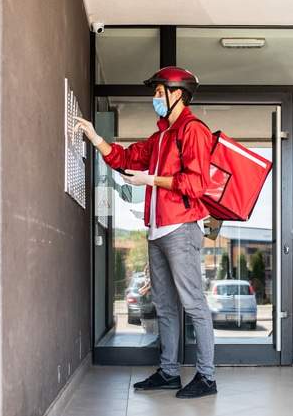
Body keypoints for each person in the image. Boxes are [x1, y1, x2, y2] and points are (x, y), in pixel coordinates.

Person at [75, 66, 217, 399]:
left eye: (157, 92)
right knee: (166, 307)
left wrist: (150, 180)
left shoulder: (193, 130)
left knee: (194, 304)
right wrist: (96, 138)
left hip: (181, 228)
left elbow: (197, 184)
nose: (153, 98)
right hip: (157, 231)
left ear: (176, 93)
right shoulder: (161, 137)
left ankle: (206, 377)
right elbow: (125, 157)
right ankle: (169, 373)